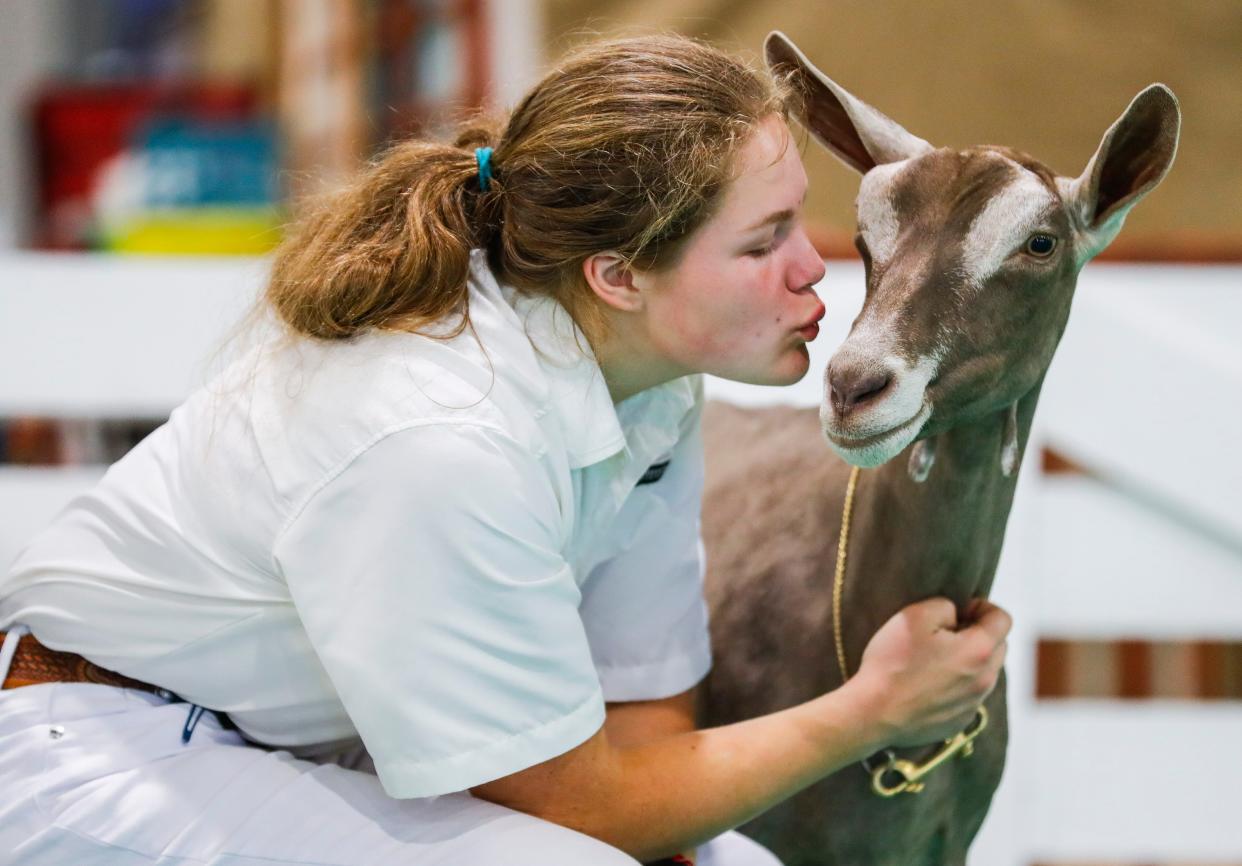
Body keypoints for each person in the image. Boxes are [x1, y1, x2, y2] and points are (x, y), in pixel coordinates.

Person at [0, 33, 1010, 866]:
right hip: (102, 746)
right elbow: (586, 812)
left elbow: (641, 707)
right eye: (761, 241)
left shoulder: (645, 387)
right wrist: (873, 708)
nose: (809, 267)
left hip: (288, 743)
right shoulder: (439, 437)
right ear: (618, 275)